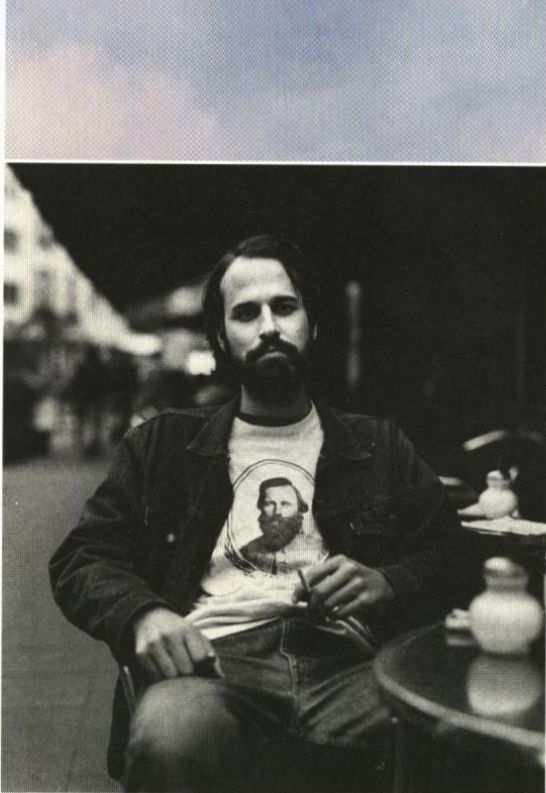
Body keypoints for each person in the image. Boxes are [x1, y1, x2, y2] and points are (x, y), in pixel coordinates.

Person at [50, 234, 480, 793]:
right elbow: (82, 557)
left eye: (285, 307)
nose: (269, 327)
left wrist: (386, 583)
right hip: (212, 668)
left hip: (349, 669)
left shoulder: (379, 445)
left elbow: (455, 555)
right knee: (170, 736)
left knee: (449, 734)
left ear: (312, 326)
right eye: (246, 314)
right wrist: (142, 615)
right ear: (223, 340)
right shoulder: (162, 446)